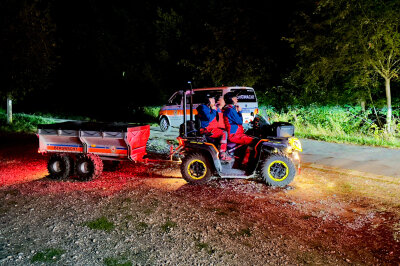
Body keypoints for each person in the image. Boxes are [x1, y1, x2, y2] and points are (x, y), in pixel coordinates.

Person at [223, 92, 257, 165]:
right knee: (254, 141)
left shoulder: (230, 109)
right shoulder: (230, 110)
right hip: (234, 135)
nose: (237, 100)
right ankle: (246, 162)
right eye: (235, 98)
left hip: (237, 134)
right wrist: (240, 111)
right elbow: (240, 121)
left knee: (253, 138)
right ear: (231, 99)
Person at [196, 94, 231, 161]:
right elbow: (209, 118)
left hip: (211, 128)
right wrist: (214, 110)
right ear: (208, 100)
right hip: (206, 129)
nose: (214, 101)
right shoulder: (203, 107)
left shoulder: (208, 108)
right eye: (212, 99)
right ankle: (222, 154)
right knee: (224, 133)